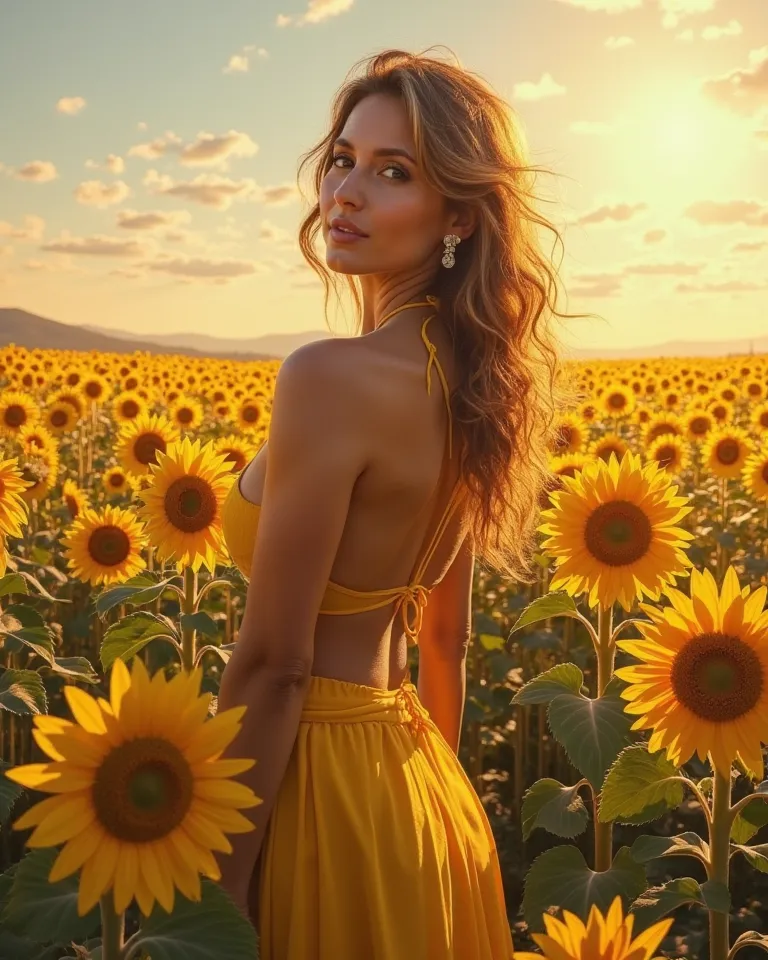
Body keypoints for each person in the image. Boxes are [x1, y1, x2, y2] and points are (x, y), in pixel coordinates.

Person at [214, 46, 596, 960]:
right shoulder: (477, 383)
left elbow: (275, 663)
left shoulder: (327, 377)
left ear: (456, 212)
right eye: (343, 158)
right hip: (424, 797)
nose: (345, 191)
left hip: (314, 793)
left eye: (393, 172)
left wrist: (214, 886)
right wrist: (427, 804)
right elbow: (444, 639)